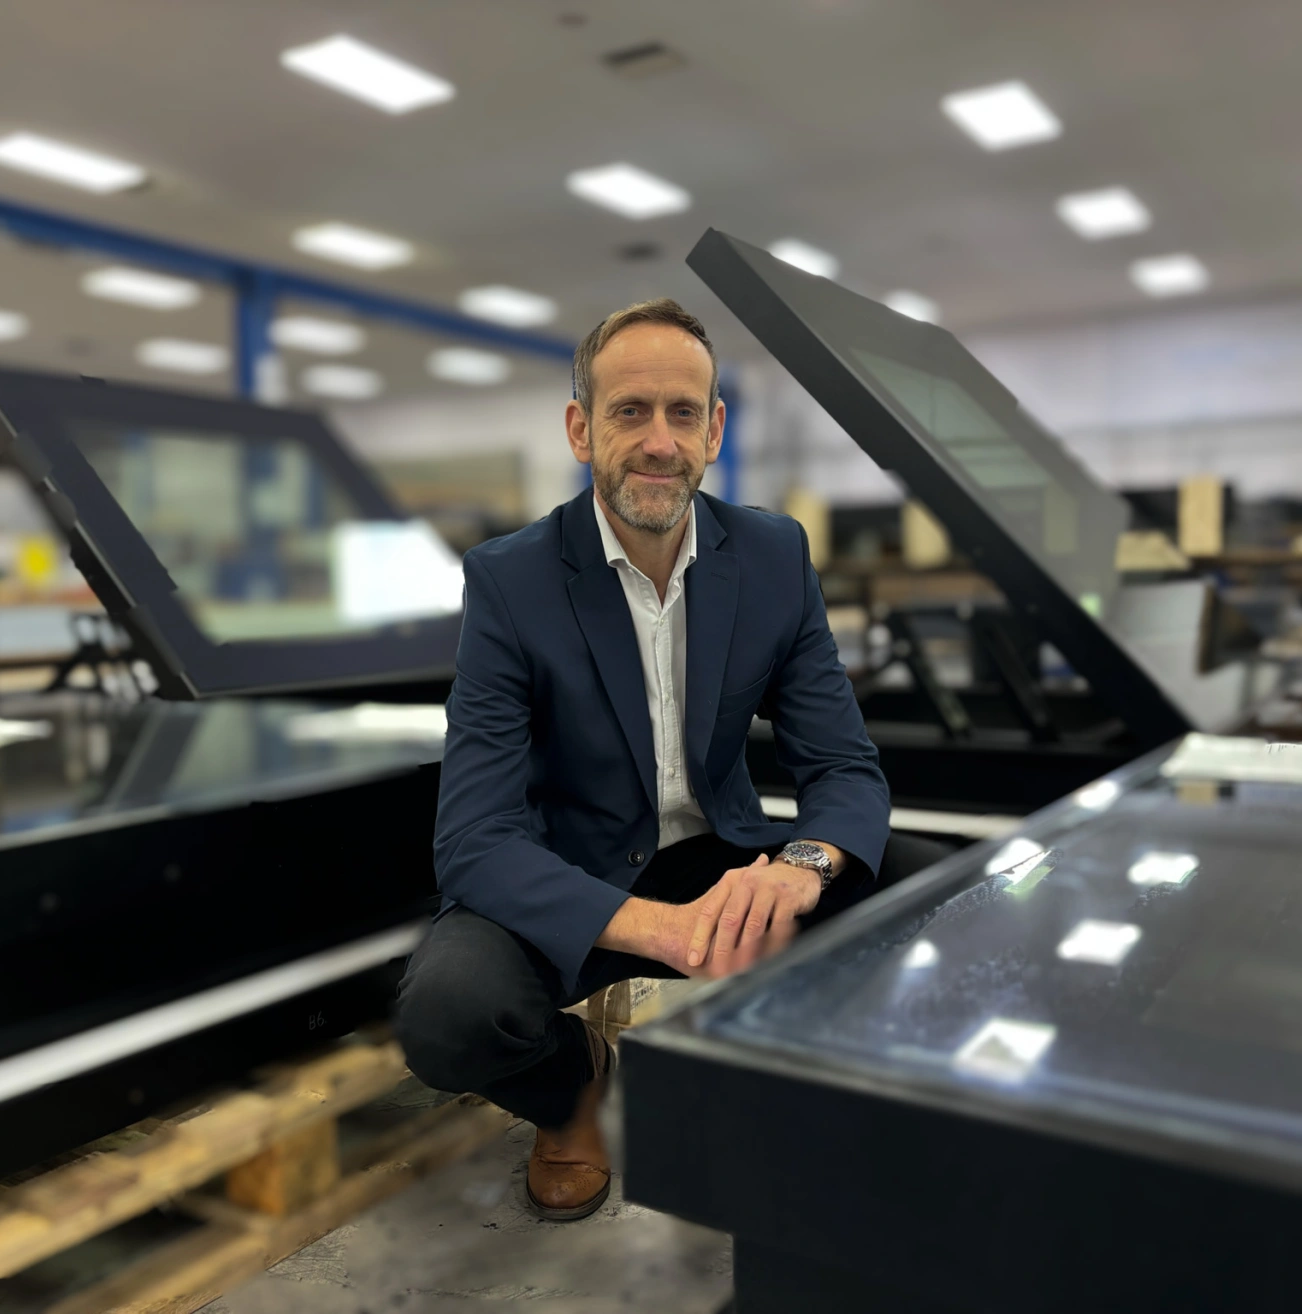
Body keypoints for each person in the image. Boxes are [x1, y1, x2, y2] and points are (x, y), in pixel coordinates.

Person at [395, 297, 947, 1221]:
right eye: (630, 411)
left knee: (944, 895)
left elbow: (844, 768)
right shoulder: (510, 579)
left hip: (720, 854)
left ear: (714, 430)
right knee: (448, 1017)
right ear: (581, 429)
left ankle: (823, 1078)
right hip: (570, 870)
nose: (659, 441)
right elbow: (475, 840)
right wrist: (664, 931)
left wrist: (800, 868)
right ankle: (577, 1092)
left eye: (683, 413)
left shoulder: (772, 556)